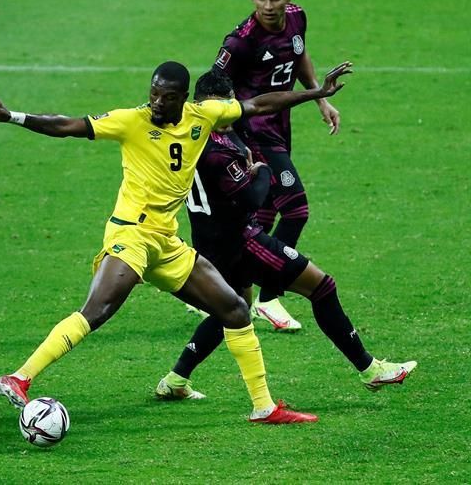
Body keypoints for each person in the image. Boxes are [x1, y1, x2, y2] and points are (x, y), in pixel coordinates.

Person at [0, 60, 352, 424]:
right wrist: (13, 116)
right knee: (98, 310)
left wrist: (316, 92)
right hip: (131, 235)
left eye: (166, 96)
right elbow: (68, 125)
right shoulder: (131, 121)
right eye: (153, 93)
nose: (156, 102)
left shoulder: (203, 116)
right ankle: (20, 377)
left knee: (235, 309)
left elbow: (260, 103)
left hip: (166, 243)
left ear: (183, 97)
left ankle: (263, 408)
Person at [156, 70, 417, 401]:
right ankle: (370, 369)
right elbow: (253, 196)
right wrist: (261, 170)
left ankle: (176, 379)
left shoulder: (187, 137)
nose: (224, 115)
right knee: (322, 287)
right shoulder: (215, 150)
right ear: (200, 105)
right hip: (242, 240)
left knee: (234, 307)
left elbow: (259, 110)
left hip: (211, 244)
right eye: (218, 108)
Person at [213, 0, 340, 330]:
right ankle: (269, 297)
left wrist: (320, 98)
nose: (269, 5)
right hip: (252, 131)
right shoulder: (240, 41)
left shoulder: (297, 19)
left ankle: (228, 290)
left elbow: (298, 54)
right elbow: (214, 91)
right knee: (296, 209)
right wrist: (230, 140)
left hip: (280, 128)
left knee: (262, 216)